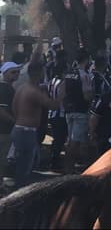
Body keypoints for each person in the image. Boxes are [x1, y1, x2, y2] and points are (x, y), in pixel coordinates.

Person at [11, 51, 59, 187]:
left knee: (22, 164)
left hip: (19, 129)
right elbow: (53, 106)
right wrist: (61, 94)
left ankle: (18, 190)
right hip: (27, 132)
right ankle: (19, 194)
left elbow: (14, 108)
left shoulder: (21, 88)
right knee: (25, 167)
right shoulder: (33, 91)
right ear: (39, 73)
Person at [61, 48, 93, 174]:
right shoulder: (84, 75)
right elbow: (87, 96)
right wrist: (92, 95)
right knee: (75, 141)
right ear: (86, 60)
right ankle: (69, 168)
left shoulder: (68, 73)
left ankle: (69, 166)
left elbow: (62, 91)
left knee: (71, 139)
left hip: (69, 110)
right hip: (80, 110)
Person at [0, 62, 20, 187]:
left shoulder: (10, 88)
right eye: (13, 72)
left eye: (17, 72)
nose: (16, 74)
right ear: (5, 73)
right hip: (3, 131)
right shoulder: (4, 88)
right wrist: (16, 121)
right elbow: (1, 111)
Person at [47, 61, 68, 171]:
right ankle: (55, 161)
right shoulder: (62, 83)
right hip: (60, 114)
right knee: (60, 139)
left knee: (56, 138)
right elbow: (61, 97)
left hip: (52, 113)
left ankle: (53, 159)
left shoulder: (51, 81)